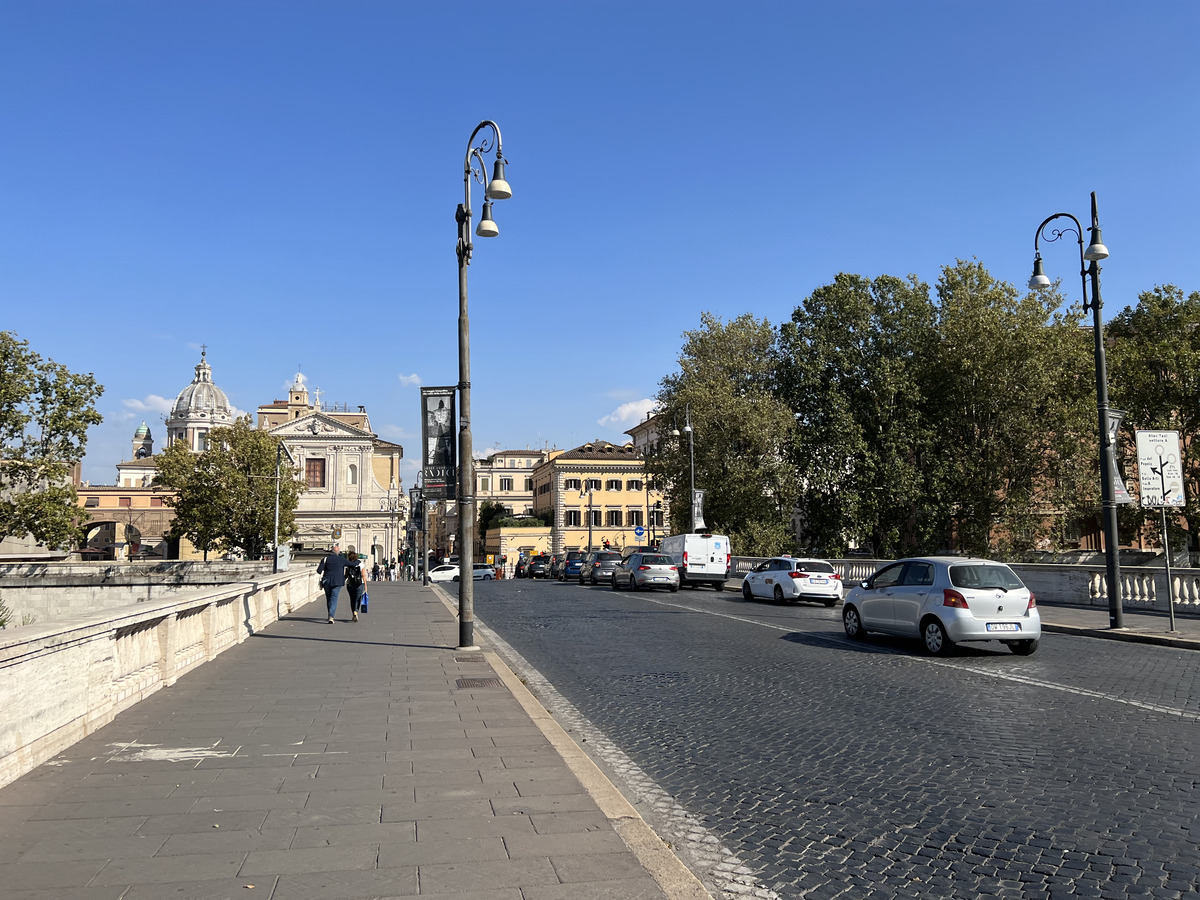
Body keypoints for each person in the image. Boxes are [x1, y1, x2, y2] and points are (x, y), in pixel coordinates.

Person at [317, 544, 349, 624]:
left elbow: (319, 571)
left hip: (326, 581)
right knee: (334, 598)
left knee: (329, 598)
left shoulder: (325, 559)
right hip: (337, 582)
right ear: (338, 552)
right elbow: (350, 564)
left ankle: (330, 615)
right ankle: (331, 616)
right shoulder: (341, 559)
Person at [344, 549, 365, 622]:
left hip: (350, 584)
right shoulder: (361, 564)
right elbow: (363, 575)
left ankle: (353, 612)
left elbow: (346, 575)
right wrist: (365, 585)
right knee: (358, 599)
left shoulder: (347, 564)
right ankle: (356, 612)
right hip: (359, 583)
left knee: (352, 599)